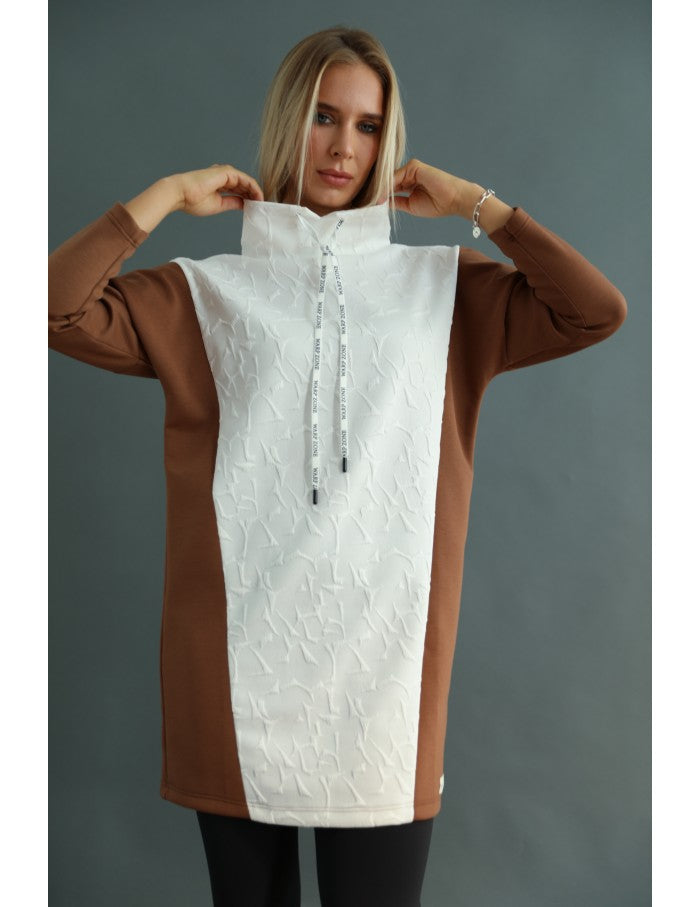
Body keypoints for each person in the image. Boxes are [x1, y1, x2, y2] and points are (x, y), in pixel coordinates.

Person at [48, 24, 627, 907]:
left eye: (367, 124)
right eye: (324, 116)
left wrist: (480, 206)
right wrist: (159, 199)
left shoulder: (446, 290)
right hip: (237, 676)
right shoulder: (205, 294)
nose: (344, 146)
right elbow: (50, 310)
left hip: (387, 684)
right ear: (290, 119)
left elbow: (595, 310)